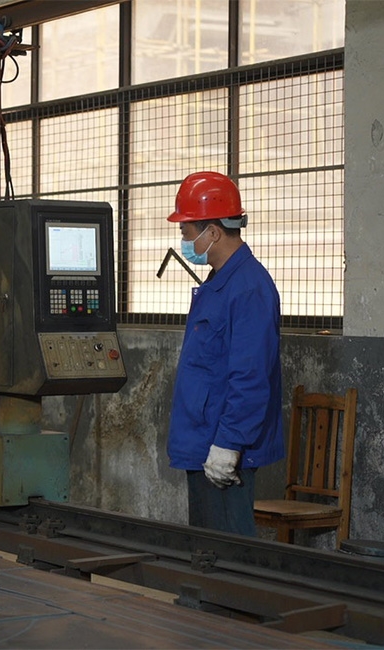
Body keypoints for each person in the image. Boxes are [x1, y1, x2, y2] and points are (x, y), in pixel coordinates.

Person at [166, 171, 284, 536]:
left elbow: (251, 376)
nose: (184, 241)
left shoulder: (249, 288)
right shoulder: (220, 282)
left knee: (231, 552)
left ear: (213, 232)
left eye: (187, 231)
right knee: (206, 550)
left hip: (223, 449)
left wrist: (228, 445)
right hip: (204, 442)